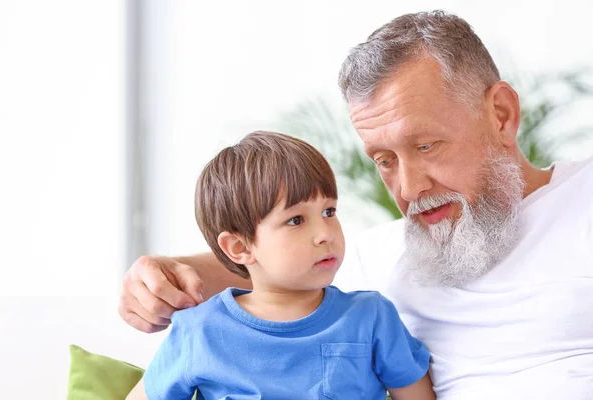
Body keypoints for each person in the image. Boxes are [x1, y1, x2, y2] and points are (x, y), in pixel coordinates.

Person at [120, 11, 593, 399]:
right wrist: (171, 271)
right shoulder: (383, 258)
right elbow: (274, 267)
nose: (407, 188)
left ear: (501, 116)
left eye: (427, 146)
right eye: (384, 160)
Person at [126, 131, 435, 400]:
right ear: (239, 247)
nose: (325, 234)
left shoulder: (371, 317)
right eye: (296, 220)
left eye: (329, 211)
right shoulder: (199, 331)